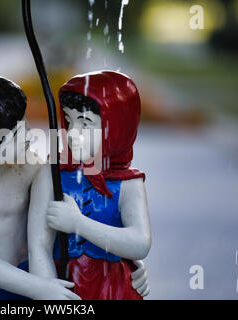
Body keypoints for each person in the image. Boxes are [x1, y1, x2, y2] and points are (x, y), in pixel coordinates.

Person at [0, 73, 149, 300]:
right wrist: (39, 288)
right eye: (15, 133)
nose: (29, 136)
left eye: (25, 123)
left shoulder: (33, 167)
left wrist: (126, 260)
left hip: (26, 276)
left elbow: (47, 239)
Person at [28, 71, 151, 299]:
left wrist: (78, 224)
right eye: (68, 120)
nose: (73, 133)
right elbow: (38, 247)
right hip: (65, 285)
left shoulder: (128, 183)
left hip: (115, 288)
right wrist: (47, 291)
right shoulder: (52, 173)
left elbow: (140, 243)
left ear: (117, 128)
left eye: (85, 123)